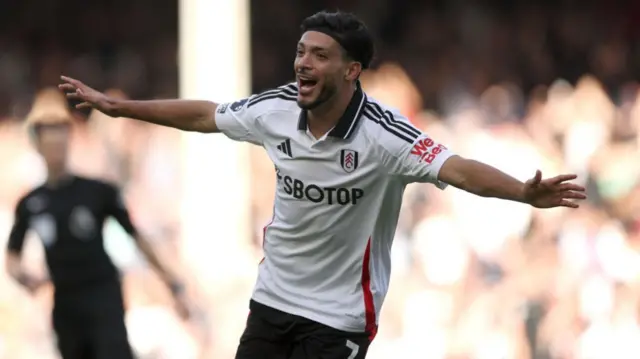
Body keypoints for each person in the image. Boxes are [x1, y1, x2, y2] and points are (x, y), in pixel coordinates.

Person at [58, 10, 586, 359]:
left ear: (352, 70)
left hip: (339, 317)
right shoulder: (277, 109)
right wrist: (117, 107)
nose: (302, 63)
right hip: (273, 301)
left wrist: (522, 192)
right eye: (301, 51)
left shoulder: (385, 135)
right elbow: (205, 115)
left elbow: (459, 168)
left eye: (319, 55)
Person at [5, 88, 190, 359]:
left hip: (102, 297)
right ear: (37, 144)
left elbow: (136, 237)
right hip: (66, 303)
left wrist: (173, 283)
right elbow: (12, 256)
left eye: (61, 135)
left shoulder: (97, 192)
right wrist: (27, 278)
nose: (56, 144)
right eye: (49, 137)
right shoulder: (32, 203)